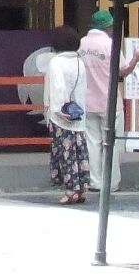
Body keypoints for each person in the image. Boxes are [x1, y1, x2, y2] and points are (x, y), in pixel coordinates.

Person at [79, 9, 139, 192]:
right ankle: (111, 182)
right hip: (109, 101)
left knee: (92, 143)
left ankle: (95, 181)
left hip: (87, 101)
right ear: (107, 26)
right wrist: (136, 58)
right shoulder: (110, 44)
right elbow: (123, 71)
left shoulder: (81, 44)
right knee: (112, 143)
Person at [41, 25, 89, 205]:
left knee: (65, 153)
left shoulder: (56, 62)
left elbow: (57, 87)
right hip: (78, 112)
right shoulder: (79, 61)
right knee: (79, 151)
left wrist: (58, 109)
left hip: (62, 115)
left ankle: (70, 190)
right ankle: (81, 188)